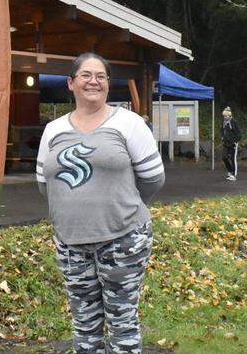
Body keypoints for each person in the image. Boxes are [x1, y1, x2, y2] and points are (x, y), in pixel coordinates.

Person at [36, 52, 165, 354]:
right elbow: (45, 184)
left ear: (108, 84)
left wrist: (118, 206)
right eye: (85, 75)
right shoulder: (53, 130)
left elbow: (153, 179)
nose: (94, 81)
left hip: (123, 242)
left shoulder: (129, 124)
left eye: (101, 76)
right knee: (84, 325)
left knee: (122, 322)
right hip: (71, 243)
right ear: (71, 83)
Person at [221, 106, 241, 180]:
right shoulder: (223, 122)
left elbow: (239, 134)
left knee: (233, 159)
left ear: (230, 116)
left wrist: (235, 141)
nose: (225, 117)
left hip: (233, 144)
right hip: (226, 143)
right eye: (224, 116)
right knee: (224, 157)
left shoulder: (234, 122)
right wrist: (222, 136)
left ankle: (234, 175)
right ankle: (229, 170)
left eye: (226, 116)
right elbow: (222, 130)